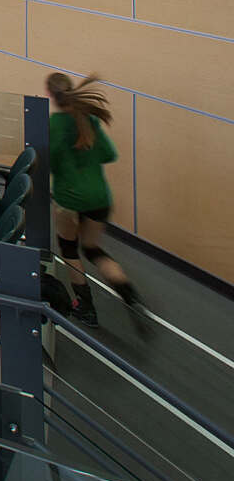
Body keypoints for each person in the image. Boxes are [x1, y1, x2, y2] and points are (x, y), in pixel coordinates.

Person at [46, 72, 142, 327]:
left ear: (50, 95)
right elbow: (109, 154)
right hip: (99, 197)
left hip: (69, 200)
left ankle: (85, 307)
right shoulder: (88, 119)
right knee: (92, 249)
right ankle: (129, 295)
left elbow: (48, 161)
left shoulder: (54, 125)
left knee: (69, 248)